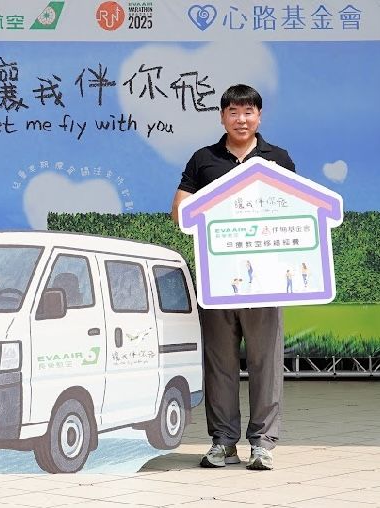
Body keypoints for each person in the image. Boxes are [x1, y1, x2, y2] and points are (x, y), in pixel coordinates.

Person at [171, 84, 295, 471]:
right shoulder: (204, 159)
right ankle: (223, 442)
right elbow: (179, 211)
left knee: (265, 364)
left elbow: (294, 212)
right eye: (234, 112)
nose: (241, 119)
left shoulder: (277, 159)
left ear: (259, 116)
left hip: (265, 281)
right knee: (220, 364)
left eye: (248, 112)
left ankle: (263, 443)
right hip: (218, 280)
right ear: (222, 116)